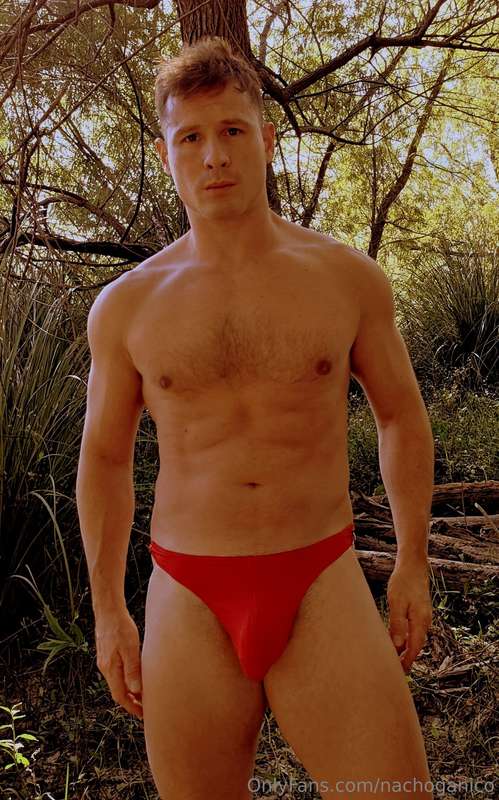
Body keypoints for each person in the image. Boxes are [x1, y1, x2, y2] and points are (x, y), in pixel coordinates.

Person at [76, 36, 435, 800]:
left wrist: (412, 559)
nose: (213, 155)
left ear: (266, 141)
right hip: (189, 589)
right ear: (167, 154)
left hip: (319, 575)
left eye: (232, 130)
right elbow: (104, 458)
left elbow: (400, 415)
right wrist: (109, 611)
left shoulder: (345, 279)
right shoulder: (127, 307)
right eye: (190, 138)